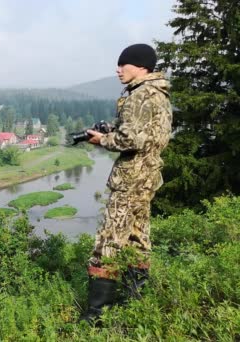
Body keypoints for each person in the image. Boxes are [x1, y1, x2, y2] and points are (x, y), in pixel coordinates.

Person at [80, 43, 173, 322]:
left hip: (130, 179)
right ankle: (137, 303)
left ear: (141, 66)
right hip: (147, 177)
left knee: (109, 240)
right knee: (137, 237)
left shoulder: (139, 95)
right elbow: (152, 136)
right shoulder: (159, 93)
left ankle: (96, 317)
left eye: (124, 64)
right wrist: (114, 131)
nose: (118, 69)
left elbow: (131, 139)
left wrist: (102, 139)